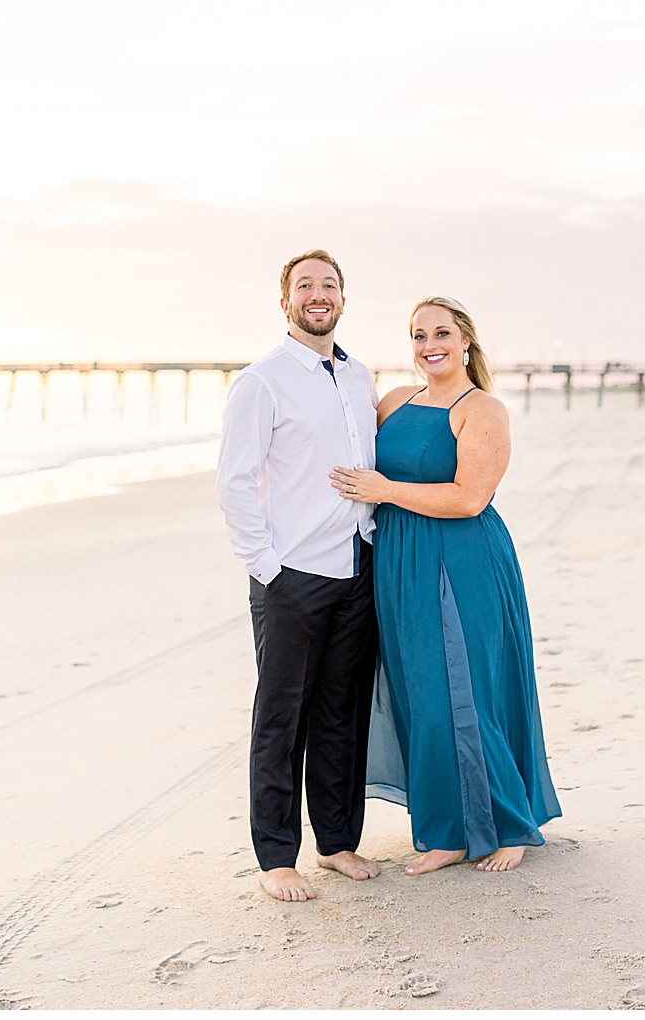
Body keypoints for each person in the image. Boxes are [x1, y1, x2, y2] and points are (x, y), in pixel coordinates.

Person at [331, 295, 560, 873]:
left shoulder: (481, 409)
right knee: (421, 692)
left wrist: (383, 490)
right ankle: (448, 833)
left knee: (468, 690)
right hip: (398, 562)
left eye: (441, 333)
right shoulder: (392, 401)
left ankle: (508, 824)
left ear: (465, 342)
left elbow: (469, 497)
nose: (429, 344)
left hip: (461, 561)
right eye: (417, 335)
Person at [216, 250, 384, 902]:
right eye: (306, 286)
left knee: (342, 715)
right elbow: (234, 482)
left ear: (343, 299)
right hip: (292, 576)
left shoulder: (360, 375)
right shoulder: (262, 381)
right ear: (284, 301)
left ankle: (337, 843)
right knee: (281, 719)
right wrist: (267, 568)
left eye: (330, 285)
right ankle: (277, 857)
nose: (319, 295)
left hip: (355, 567)